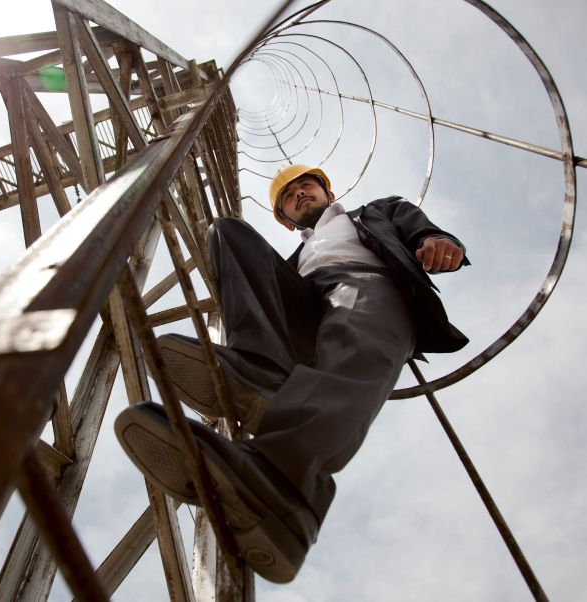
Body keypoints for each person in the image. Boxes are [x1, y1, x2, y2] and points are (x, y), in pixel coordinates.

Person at [115, 164, 469, 584]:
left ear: (327, 192)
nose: (301, 195)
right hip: (304, 303)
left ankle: (286, 481)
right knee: (227, 232)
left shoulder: (374, 212)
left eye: (307, 187)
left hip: (366, 283)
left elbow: (421, 230)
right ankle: (260, 373)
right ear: (284, 219)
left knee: (354, 346)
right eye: (289, 197)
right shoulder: (293, 259)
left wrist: (438, 243)